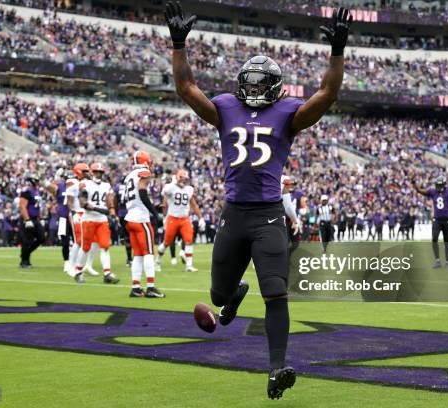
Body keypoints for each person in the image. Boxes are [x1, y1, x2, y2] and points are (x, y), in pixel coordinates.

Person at [165, 1, 352, 399]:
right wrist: (178, 43)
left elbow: (327, 93)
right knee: (218, 295)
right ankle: (233, 298)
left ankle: (276, 367)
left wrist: (336, 54)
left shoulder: (287, 112)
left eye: (257, 83)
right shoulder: (226, 108)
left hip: (268, 213)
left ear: (273, 85)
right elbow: (185, 88)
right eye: (246, 82)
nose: (250, 90)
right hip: (234, 214)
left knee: (276, 292)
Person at [124, 151, 165, 298]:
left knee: (138, 255)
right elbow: (142, 193)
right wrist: (155, 213)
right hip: (141, 219)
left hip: (130, 218)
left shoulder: (129, 176)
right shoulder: (143, 172)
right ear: (146, 161)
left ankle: (135, 287)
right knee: (148, 253)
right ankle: (150, 287)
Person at [73, 163, 120, 284]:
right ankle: (78, 272)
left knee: (105, 246)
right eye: (96, 172)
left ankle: (107, 273)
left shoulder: (106, 185)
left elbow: (109, 201)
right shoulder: (84, 184)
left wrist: (112, 212)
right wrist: (100, 209)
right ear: (91, 172)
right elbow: (83, 203)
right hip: (89, 219)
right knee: (85, 246)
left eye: (100, 172)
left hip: (102, 220)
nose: (98, 174)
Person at [156, 169, 205, 272]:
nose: (184, 181)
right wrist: (165, 217)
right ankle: (157, 261)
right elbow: (164, 200)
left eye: (185, 179)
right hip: (172, 218)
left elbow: (194, 205)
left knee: (189, 240)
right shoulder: (170, 187)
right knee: (167, 242)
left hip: (185, 218)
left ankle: (189, 265)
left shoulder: (189, 189)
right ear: (177, 178)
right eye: (182, 178)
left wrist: (201, 218)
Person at [413, 175, 448, 268]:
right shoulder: (433, 191)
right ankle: (437, 261)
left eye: (439, 185)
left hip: (446, 220)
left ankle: (447, 262)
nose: (438, 187)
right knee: (434, 240)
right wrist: (414, 183)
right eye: (437, 185)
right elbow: (420, 191)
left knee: (447, 241)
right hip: (437, 220)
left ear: (444, 184)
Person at [19, 174, 45, 268]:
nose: (38, 183)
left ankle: (25, 254)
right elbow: (22, 206)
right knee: (27, 241)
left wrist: (40, 218)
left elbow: (37, 207)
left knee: (42, 238)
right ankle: (24, 261)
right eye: (37, 181)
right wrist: (27, 219)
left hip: (35, 218)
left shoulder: (36, 191)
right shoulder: (26, 191)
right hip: (28, 218)